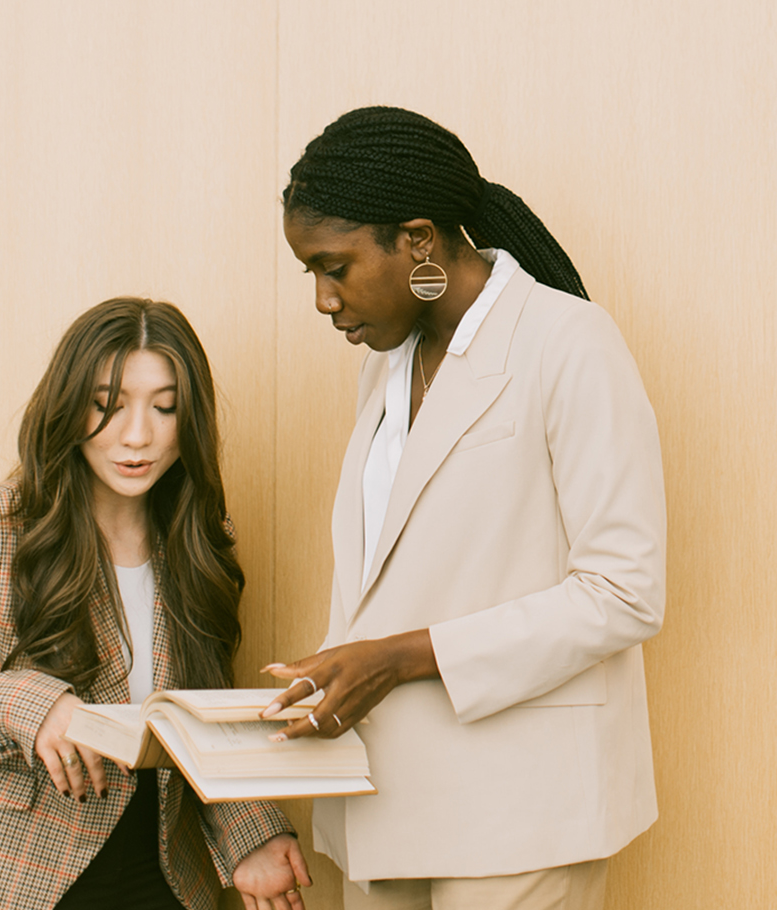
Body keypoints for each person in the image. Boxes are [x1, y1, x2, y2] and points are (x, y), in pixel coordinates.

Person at [262, 105, 667, 910]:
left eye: (334, 266)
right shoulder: (384, 368)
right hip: (382, 799)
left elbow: (625, 592)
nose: (321, 297)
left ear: (417, 241)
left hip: (523, 807)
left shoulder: (569, 342)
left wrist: (396, 656)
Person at [0, 298, 312, 910]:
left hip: (160, 873)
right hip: (5, 877)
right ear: (67, 406)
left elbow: (200, 715)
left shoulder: (200, 542)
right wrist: (31, 705)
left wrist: (252, 833)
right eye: (106, 405)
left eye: (165, 408)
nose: (137, 435)